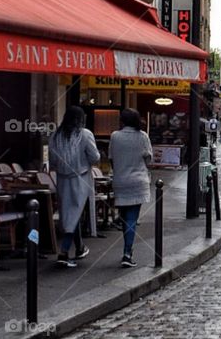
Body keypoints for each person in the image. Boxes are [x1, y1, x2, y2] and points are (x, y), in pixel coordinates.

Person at [48, 105, 100, 267]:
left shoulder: (56, 135)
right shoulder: (85, 134)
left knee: (69, 214)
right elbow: (95, 157)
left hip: (62, 179)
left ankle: (79, 247)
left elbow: (52, 160)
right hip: (81, 178)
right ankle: (63, 252)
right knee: (74, 214)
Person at [108, 108, 153, 268]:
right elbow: (148, 160)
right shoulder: (142, 137)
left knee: (124, 217)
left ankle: (127, 249)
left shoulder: (115, 136)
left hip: (120, 181)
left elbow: (111, 158)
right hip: (138, 181)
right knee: (132, 218)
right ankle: (127, 252)